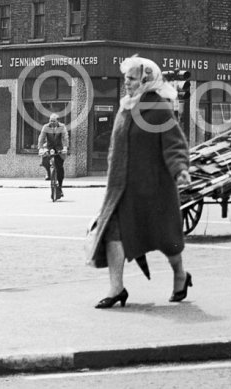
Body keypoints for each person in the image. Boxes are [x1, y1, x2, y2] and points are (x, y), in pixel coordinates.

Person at [87, 56, 193, 309]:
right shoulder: (125, 107)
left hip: (153, 188)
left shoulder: (159, 109)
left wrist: (180, 169)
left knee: (167, 240)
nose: (127, 82)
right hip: (122, 188)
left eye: (132, 78)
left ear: (147, 80)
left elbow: (174, 144)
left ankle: (180, 274)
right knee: (113, 233)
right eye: (126, 78)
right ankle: (117, 288)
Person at [38, 114, 68, 199]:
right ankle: (48, 173)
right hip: (49, 147)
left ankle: (60, 187)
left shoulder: (62, 127)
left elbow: (65, 138)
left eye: (53, 121)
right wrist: (40, 148)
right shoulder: (46, 127)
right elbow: (41, 138)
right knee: (44, 159)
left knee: (60, 168)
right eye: (50, 120)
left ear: (57, 121)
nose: (51, 122)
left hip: (59, 148)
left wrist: (65, 147)